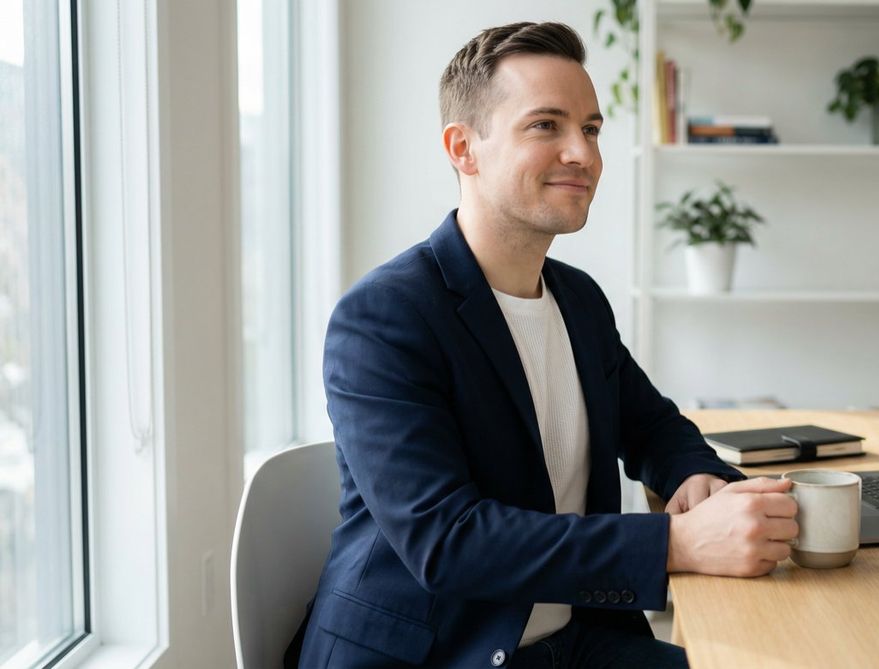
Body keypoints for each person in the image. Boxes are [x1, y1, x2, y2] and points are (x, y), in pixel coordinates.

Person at [290, 21, 799, 669]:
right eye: (546, 125)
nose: (583, 153)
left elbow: (650, 424)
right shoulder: (384, 317)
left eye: (590, 128)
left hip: (573, 641)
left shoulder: (578, 298)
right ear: (463, 148)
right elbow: (449, 542)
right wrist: (676, 542)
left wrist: (691, 472)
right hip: (437, 652)